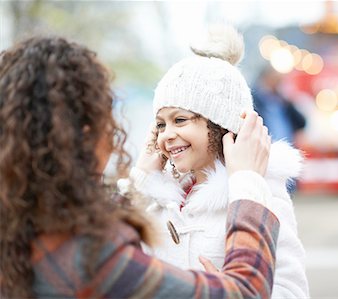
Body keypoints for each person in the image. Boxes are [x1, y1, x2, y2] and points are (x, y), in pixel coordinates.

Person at [0, 36, 279, 298]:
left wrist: (142, 179)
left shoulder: (20, 224)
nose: (113, 133)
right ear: (84, 135)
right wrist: (248, 182)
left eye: (179, 120)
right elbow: (245, 291)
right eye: (106, 118)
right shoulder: (90, 256)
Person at [119, 25, 309, 298]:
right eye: (160, 125)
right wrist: (142, 177)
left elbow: (291, 291)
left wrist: (229, 290)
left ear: (219, 124)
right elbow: (103, 260)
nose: (167, 135)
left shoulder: (263, 194)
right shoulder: (157, 200)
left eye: (180, 120)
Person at [252, 65, 307, 145]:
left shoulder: (283, 101)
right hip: (267, 146)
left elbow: (301, 123)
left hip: (287, 146)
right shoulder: (256, 100)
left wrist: (289, 101)